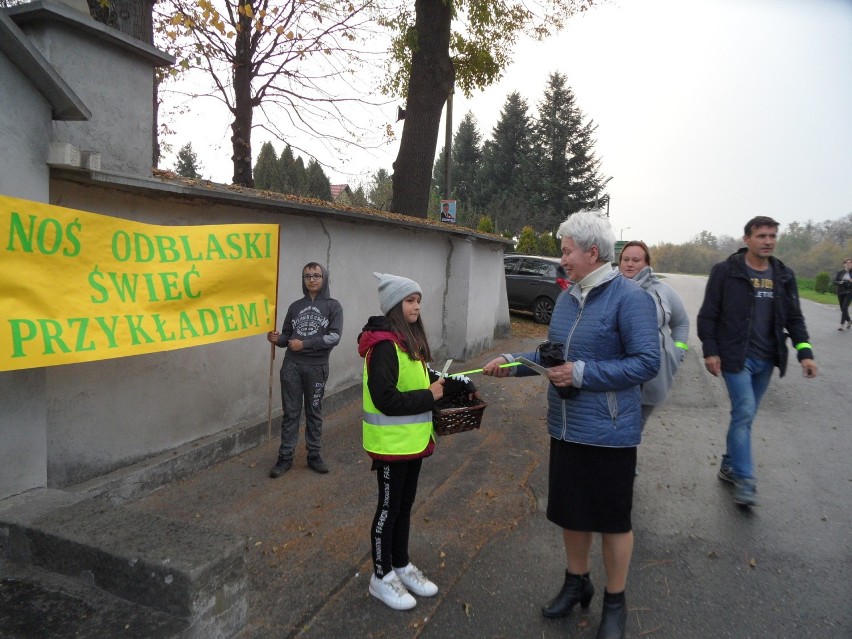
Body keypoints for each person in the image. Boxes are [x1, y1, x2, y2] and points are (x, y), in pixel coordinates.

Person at [483, 211, 660, 639]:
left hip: (611, 433)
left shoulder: (630, 299)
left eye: (566, 251)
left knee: (613, 521)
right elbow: (551, 354)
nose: (561, 259)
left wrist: (583, 374)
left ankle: (614, 602)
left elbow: (646, 362)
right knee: (573, 514)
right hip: (565, 427)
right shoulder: (567, 299)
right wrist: (513, 362)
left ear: (592, 252)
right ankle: (576, 582)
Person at [358, 272, 477, 611]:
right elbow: (386, 400)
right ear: (395, 305)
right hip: (390, 445)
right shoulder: (382, 347)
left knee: (404, 508)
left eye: (418, 300)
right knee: (388, 509)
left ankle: (401, 564)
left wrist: (455, 384)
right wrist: (429, 396)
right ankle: (380, 577)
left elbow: (425, 379)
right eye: (410, 301)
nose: (417, 306)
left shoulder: (407, 342)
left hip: (412, 443)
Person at [697, 216, 817, 507]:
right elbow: (708, 315)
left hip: (768, 358)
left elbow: (794, 318)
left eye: (772, 236)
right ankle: (745, 479)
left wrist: (805, 353)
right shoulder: (726, 272)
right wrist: (711, 351)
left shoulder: (784, 275)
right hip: (736, 357)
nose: (768, 241)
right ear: (746, 239)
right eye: (761, 235)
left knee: (744, 416)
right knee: (746, 410)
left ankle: (728, 463)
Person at [267, 262, 343, 477]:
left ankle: (314, 455)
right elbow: (286, 337)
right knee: (291, 413)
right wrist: (276, 338)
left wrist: (305, 344)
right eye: (307, 276)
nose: (312, 279)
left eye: (316, 275)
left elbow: (334, 337)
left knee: (314, 412)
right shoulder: (295, 307)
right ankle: (285, 457)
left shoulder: (333, 306)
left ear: (324, 278)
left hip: (316, 367)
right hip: (291, 366)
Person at [618, 241, 690, 424]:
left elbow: (681, 322)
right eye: (625, 259)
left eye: (636, 260)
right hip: (617, 373)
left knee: (636, 427)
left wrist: (678, 352)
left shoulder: (663, 291)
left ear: (647, 264)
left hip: (653, 377)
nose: (630, 264)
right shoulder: (610, 288)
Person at [833, 257, 852, 330]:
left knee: (844, 307)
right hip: (840, 292)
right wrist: (840, 282)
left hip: (849, 292)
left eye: (850, 263)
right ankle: (849, 320)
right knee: (842, 309)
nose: (849, 264)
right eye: (847, 263)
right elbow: (835, 281)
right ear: (844, 264)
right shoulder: (840, 272)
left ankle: (841, 325)